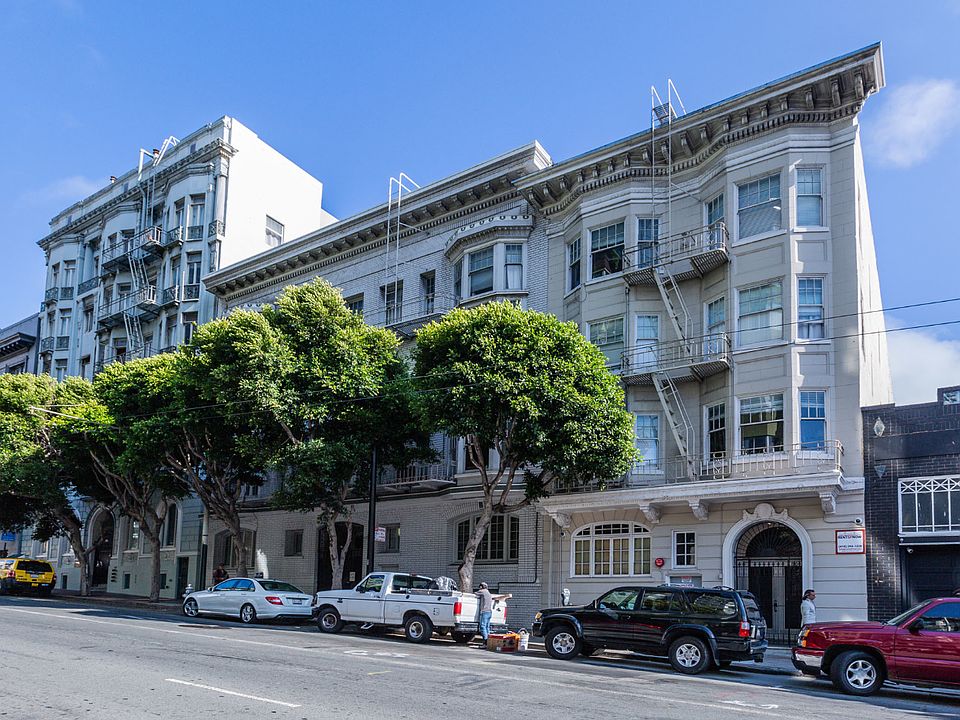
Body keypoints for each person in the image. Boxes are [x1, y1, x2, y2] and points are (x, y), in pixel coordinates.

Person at [475, 581, 511, 646]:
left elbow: (475, 594)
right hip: (489, 612)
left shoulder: (482, 591)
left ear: (481, 587)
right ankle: (488, 641)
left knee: (482, 627)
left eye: (480, 587)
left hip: (484, 612)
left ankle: (485, 642)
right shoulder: (488, 593)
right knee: (487, 627)